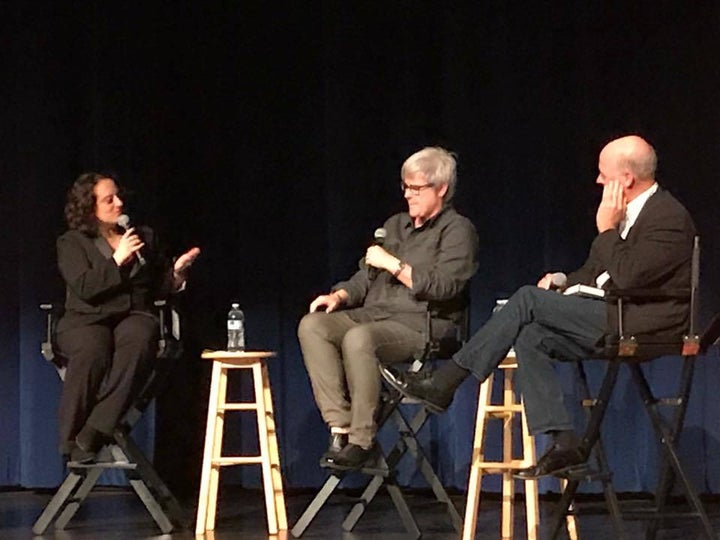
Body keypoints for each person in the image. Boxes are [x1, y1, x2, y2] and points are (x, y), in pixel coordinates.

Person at [382, 135, 697, 478]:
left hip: (645, 322)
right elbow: (598, 273)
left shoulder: (667, 217)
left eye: (603, 175)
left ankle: (446, 382)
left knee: (528, 300)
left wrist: (606, 228)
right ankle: (564, 444)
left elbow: (628, 277)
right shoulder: (626, 213)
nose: (598, 181)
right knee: (531, 334)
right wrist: (563, 280)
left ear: (626, 179)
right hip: (615, 311)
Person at [298, 147, 479, 470]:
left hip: (422, 324)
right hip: (374, 314)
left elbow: (445, 286)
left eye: (417, 188)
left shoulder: (458, 230)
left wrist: (395, 266)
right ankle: (341, 426)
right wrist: (339, 296)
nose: (408, 195)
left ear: (441, 189)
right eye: (405, 186)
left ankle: (362, 439)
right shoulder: (395, 226)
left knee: (359, 339)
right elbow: (366, 276)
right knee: (314, 325)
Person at [56, 172, 201, 463]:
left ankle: (96, 428)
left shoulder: (141, 237)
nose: (119, 203)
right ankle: (71, 438)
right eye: (109, 199)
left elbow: (155, 287)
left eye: (118, 196)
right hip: (88, 317)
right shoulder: (72, 242)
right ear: (89, 207)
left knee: (140, 336)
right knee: (91, 349)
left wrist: (175, 275)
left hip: (132, 313)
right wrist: (116, 261)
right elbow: (85, 288)